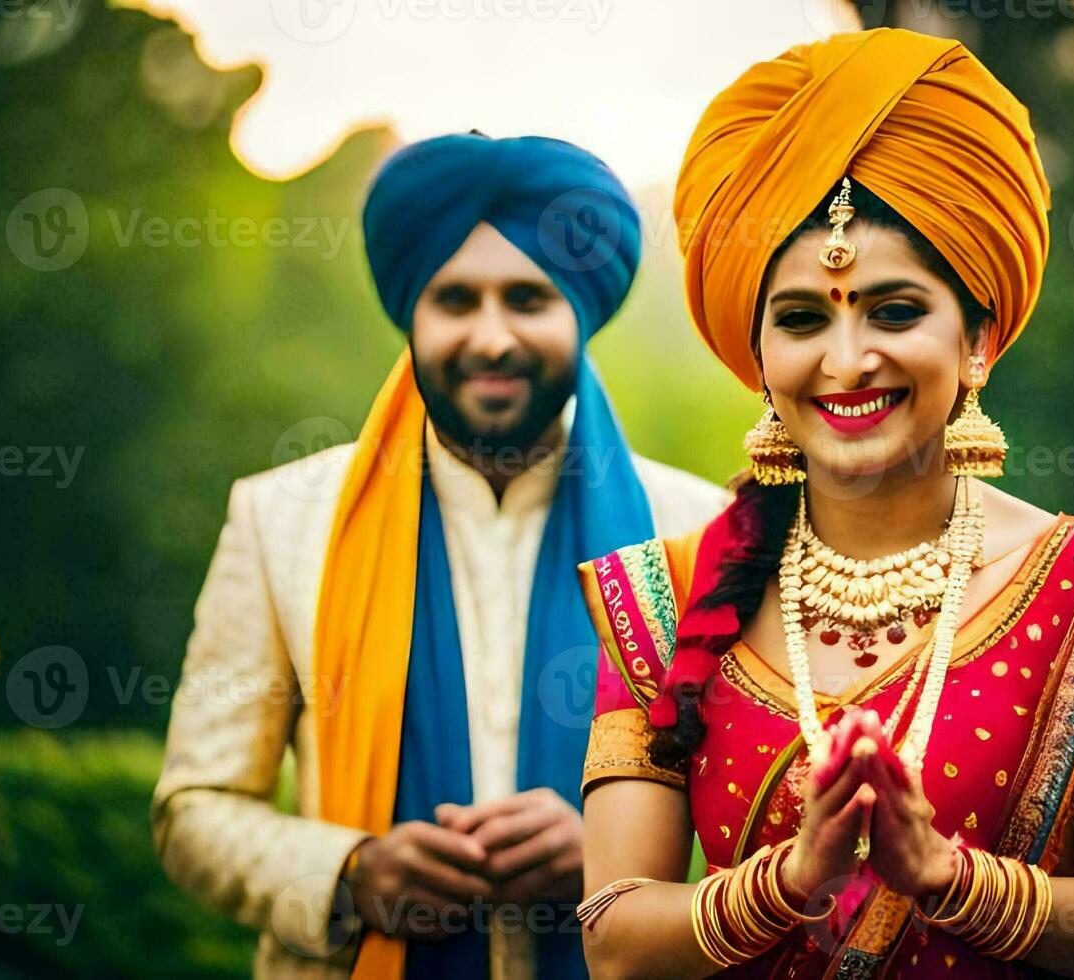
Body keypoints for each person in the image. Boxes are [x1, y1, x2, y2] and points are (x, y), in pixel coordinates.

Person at [573, 28, 1074, 977]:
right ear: (758, 357)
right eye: (803, 319)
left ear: (978, 339)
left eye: (894, 312)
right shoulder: (663, 599)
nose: (847, 361)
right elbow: (614, 942)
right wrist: (791, 876)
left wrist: (943, 876)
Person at [151, 133, 728, 980]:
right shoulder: (282, 522)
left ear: (580, 317)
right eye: (456, 300)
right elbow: (192, 811)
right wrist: (349, 873)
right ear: (411, 317)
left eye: (528, 299)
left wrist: (620, 857)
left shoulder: (698, 532)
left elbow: (768, 837)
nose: (492, 338)